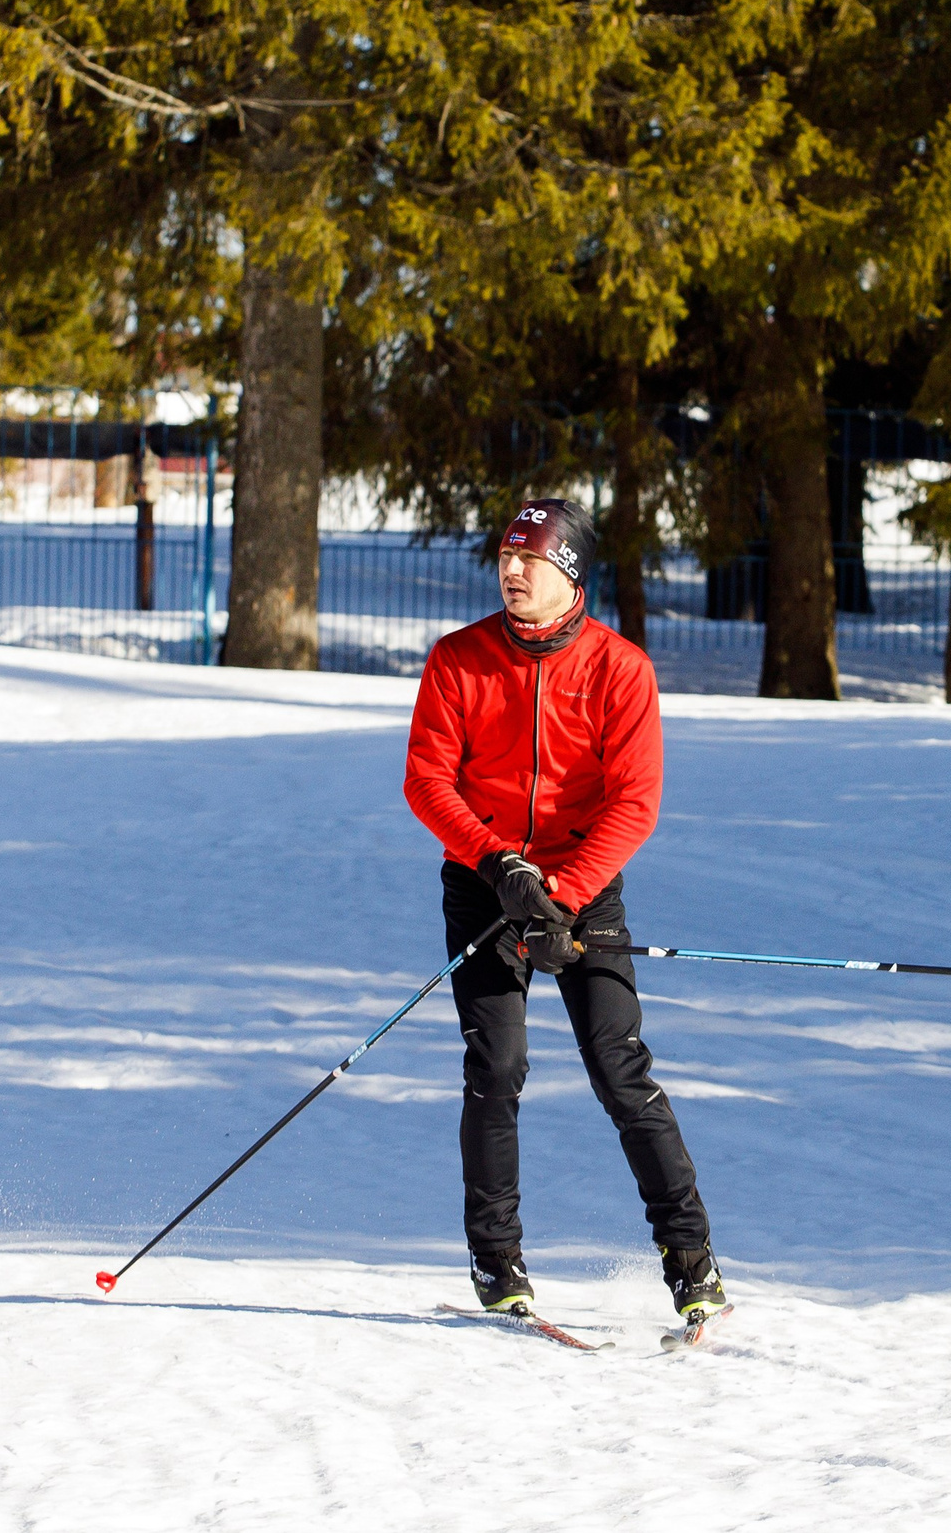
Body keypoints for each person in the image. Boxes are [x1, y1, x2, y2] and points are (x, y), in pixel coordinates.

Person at [403, 497, 728, 1325]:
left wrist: (566, 896)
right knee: (497, 1067)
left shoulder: (620, 669)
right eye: (506, 557)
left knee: (620, 1068)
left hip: (580, 886)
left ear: (570, 572)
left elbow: (635, 802)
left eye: (531, 559)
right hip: (484, 882)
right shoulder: (459, 660)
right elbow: (428, 782)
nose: (513, 571)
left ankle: (693, 1268)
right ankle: (497, 1262)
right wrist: (498, 863)